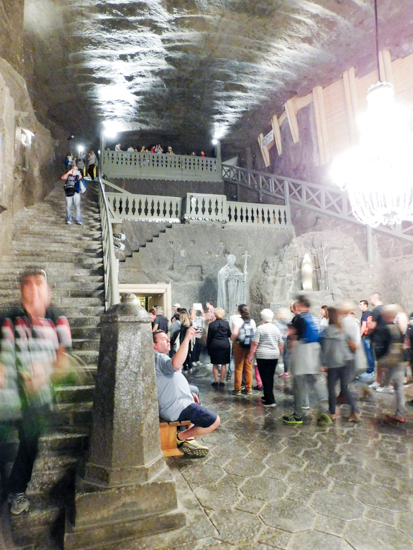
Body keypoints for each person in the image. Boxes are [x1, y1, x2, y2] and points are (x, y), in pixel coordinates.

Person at [0, 269, 72, 515]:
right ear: (21, 290)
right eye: (28, 284)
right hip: (8, 396)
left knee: (29, 446)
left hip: (38, 399)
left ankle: (16, 490)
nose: (33, 289)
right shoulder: (9, 318)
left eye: (39, 284)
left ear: (48, 290)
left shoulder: (58, 319)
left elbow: (63, 362)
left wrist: (45, 373)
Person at [153, 329, 220, 457]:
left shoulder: (157, 357)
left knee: (194, 390)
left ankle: (189, 437)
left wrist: (188, 393)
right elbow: (176, 364)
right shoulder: (158, 357)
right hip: (175, 407)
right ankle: (181, 437)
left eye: (167, 338)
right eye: (163, 339)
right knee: (214, 421)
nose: (168, 340)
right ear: (154, 345)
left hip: (176, 402)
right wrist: (187, 338)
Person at [283, 295, 324, 425]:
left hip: (303, 354)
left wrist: (290, 350)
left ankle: (297, 416)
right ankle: (325, 412)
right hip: (315, 354)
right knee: (314, 384)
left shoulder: (299, 318)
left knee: (298, 386)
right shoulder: (314, 318)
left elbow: (291, 334)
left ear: (301, 305)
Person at [321, 307, 360, 423]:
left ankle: (332, 412)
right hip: (346, 361)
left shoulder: (327, 331)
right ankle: (355, 411)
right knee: (345, 388)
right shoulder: (342, 329)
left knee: (331, 388)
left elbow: (326, 349)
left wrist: (323, 363)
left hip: (334, 363)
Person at [247, 309, 283, 407]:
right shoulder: (276, 328)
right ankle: (267, 396)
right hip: (274, 355)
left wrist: (250, 356)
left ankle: (270, 400)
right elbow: (280, 343)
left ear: (262, 317)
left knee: (264, 377)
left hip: (263, 355)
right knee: (270, 377)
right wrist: (280, 355)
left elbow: (255, 343)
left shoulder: (260, 328)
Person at [378, 305, 406, 422]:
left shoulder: (385, 329)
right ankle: (400, 413)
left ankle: (383, 385)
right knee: (399, 386)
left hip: (390, 358)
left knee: (395, 385)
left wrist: (382, 363)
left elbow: (382, 347)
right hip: (399, 358)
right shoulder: (400, 328)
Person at [231, 304, 256, 396]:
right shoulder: (252, 321)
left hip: (239, 345)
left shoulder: (237, 321)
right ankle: (248, 388)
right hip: (249, 345)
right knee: (248, 367)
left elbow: (235, 333)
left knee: (238, 367)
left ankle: (237, 389)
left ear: (239, 312)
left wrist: (233, 341)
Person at [207, 308, 231, 388]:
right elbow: (229, 334)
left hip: (214, 344)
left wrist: (208, 347)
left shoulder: (211, 324)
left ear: (215, 314)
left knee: (215, 363)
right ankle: (222, 381)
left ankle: (216, 380)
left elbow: (209, 337)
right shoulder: (226, 324)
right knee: (224, 363)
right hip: (225, 344)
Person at [359, 299, 375, 378]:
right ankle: (372, 369)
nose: (359, 307)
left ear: (365, 305)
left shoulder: (364, 314)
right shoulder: (371, 313)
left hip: (365, 336)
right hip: (371, 336)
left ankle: (370, 371)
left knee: (368, 354)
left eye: (361, 305)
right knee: (371, 353)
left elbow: (363, 326)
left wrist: (359, 336)